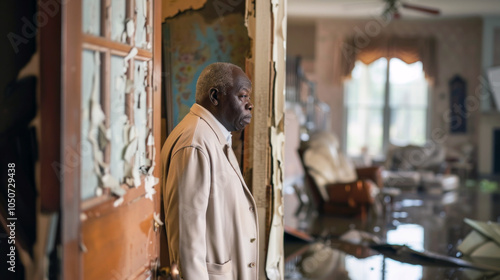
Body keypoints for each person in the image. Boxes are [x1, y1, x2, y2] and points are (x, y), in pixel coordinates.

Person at [161, 62, 258, 280]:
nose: (249, 104)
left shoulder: (212, 136)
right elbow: (188, 243)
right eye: (242, 96)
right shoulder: (196, 142)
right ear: (215, 97)